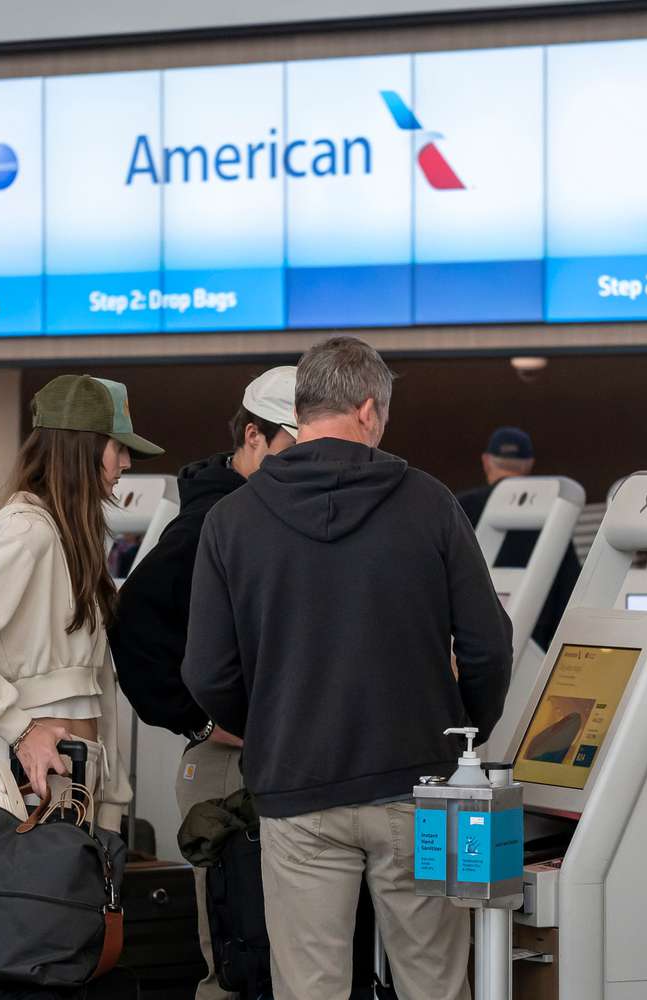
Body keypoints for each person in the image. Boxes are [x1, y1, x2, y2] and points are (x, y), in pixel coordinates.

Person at [182, 337, 512, 1000]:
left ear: (303, 412)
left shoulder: (232, 519)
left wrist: (274, 723)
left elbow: (206, 671)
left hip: (295, 790)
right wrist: (460, 727)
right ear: (368, 411)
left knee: (310, 988)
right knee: (435, 983)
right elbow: (486, 645)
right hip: (417, 786)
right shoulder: (430, 503)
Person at [110, 365, 296, 1000]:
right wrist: (197, 720)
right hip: (229, 766)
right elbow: (133, 623)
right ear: (253, 437)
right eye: (293, 449)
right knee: (240, 941)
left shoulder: (258, 510)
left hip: (269, 759)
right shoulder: (213, 520)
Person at [0, 375, 163, 830]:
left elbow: (94, 682)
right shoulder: (29, 531)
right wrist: (20, 729)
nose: (126, 462)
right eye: (118, 447)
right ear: (81, 448)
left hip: (65, 784)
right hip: (28, 787)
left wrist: (111, 792)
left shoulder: (65, 534)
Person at [456, 427, 580, 650]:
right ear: (530, 464)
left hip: (472, 641)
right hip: (534, 640)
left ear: (486, 461)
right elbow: (569, 586)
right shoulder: (554, 512)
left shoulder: (461, 507)